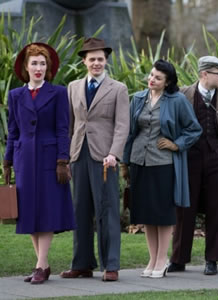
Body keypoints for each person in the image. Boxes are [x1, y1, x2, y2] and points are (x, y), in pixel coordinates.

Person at [121, 60, 202, 278]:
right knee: (146, 214)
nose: (151, 79)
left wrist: (177, 144)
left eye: (157, 77)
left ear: (167, 82)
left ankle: (161, 259)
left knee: (163, 214)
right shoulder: (138, 98)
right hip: (139, 161)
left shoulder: (177, 101)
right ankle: (152, 258)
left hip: (164, 164)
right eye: (151, 75)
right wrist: (124, 162)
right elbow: (130, 132)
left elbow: (194, 129)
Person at [3, 42, 75, 284]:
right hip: (24, 160)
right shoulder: (15, 95)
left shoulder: (58, 93)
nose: (38, 68)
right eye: (34, 63)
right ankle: (41, 265)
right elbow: (12, 131)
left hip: (49, 159)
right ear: (26, 66)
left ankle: (41, 265)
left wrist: (63, 160)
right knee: (30, 212)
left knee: (45, 211)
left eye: (43, 63)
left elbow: (63, 129)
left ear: (48, 67)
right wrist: (7, 161)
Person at [168, 56, 218, 275]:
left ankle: (213, 259)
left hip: (217, 160)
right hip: (189, 159)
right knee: (184, 209)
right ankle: (178, 259)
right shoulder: (182, 94)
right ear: (204, 74)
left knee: (217, 209)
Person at [60, 38, 130, 281]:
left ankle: (110, 265)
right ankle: (82, 263)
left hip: (105, 158)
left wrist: (114, 153)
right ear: (84, 62)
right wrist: (66, 155)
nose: (97, 63)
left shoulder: (118, 88)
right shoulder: (73, 86)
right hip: (78, 154)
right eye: (92, 59)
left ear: (106, 60)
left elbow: (122, 125)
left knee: (107, 211)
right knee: (80, 210)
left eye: (101, 59)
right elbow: (70, 124)